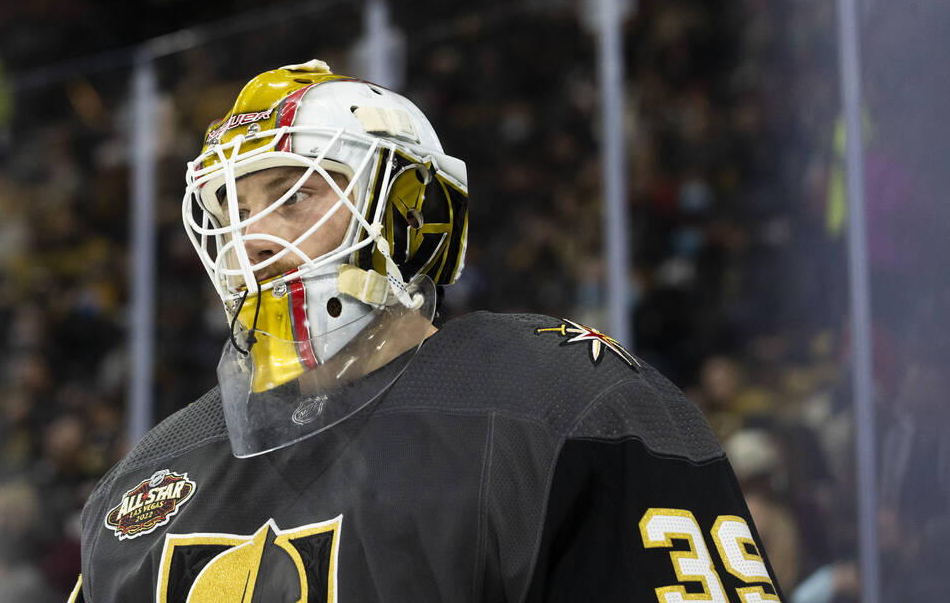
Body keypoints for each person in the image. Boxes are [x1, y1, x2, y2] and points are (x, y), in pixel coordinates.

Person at [71, 60, 785, 602]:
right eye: (233, 210)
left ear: (409, 212)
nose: (251, 239)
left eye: (297, 194)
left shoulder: (563, 408)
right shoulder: (148, 479)